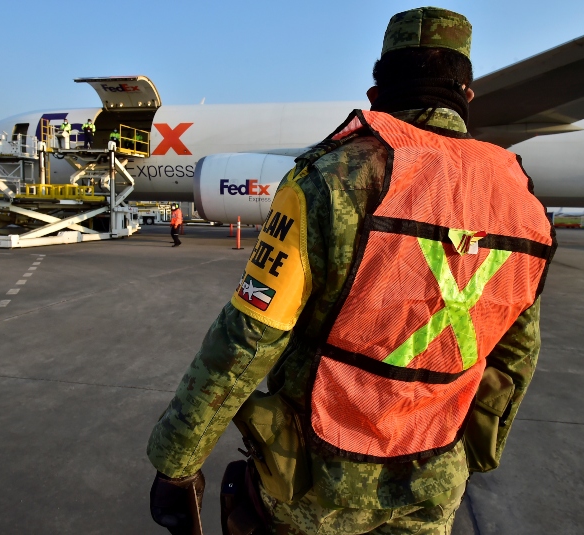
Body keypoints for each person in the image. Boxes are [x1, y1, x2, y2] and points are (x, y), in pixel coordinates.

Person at [147, 7, 556, 535]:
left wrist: (176, 460)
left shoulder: (329, 181)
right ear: (467, 95)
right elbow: (517, 356)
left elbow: (248, 340)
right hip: (433, 483)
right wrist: (468, 453)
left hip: (316, 486)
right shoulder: (522, 204)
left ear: (376, 93)